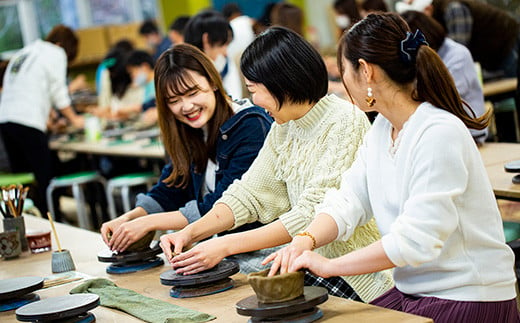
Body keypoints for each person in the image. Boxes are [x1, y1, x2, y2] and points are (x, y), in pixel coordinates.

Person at [265, 13, 518, 322]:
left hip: (467, 294)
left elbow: (415, 242)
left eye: (342, 70)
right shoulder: (384, 128)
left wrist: (330, 266)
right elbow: (349, 200)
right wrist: (306, 239)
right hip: (417, 291)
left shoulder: (438, 132)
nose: (340, 84)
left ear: (365, 71)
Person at [159, 27, 393, 303]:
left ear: (281, 83)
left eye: (253, 90)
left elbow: (311, 213)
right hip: (306, 262)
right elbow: (248, 194)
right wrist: (192, 232)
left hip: (355, 274)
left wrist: (223, 244)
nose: (254, 101)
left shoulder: (344, 120)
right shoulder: (283, 127)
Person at [100, 43, 272, 253]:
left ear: (213, 83)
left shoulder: (250, 125)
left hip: (265, 251)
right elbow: (171, 188)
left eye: (192, 93)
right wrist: (128, 218)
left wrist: (149, 223)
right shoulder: (190, 130)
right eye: (174, 100)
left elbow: (221, 205)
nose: (186, 106)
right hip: (223, 249)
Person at [0, 25, 84, 215]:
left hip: (6, 119)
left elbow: (32, 90)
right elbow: (58, 92)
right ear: (64, 45)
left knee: (22, 181)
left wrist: (51, 118)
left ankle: (28, 221)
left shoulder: (26, 52)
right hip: (27, 122)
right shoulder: (56, 53)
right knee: (45, 177)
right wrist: (75, 119)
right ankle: (53, 218)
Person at [401, 10, 487, 143]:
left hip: (468, 133)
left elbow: (439, 99)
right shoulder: (416, 59)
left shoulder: (457, 55)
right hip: (439, 131)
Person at [395, 0, 519, 79]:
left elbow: (459, 50)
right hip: (493, 54)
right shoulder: (438, 16)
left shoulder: (453, 8)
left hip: (509, 45)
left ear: (427, 9)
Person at [183, 10, 242, 100]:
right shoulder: (184, 75)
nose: (225, 52)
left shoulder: (224, 64)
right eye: (223, 45)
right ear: (206, 40)